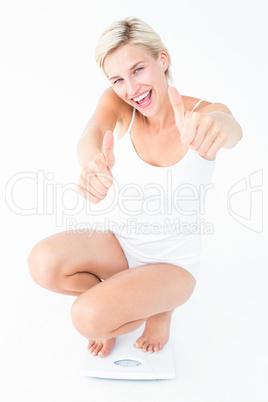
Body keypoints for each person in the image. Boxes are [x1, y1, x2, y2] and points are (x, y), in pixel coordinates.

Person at [28, 17, 243, 358]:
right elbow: (91, 133)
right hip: (122, 248)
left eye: (138, 70)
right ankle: (123, 302)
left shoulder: (200, 116)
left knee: (86, 317)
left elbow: (230, 127)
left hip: (173, 267)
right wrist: (91, 162)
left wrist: (214, 127)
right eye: (117, 79)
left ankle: (158, 307)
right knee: (42, 262)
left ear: (163, 60)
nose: (131, 89)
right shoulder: (120, 105)